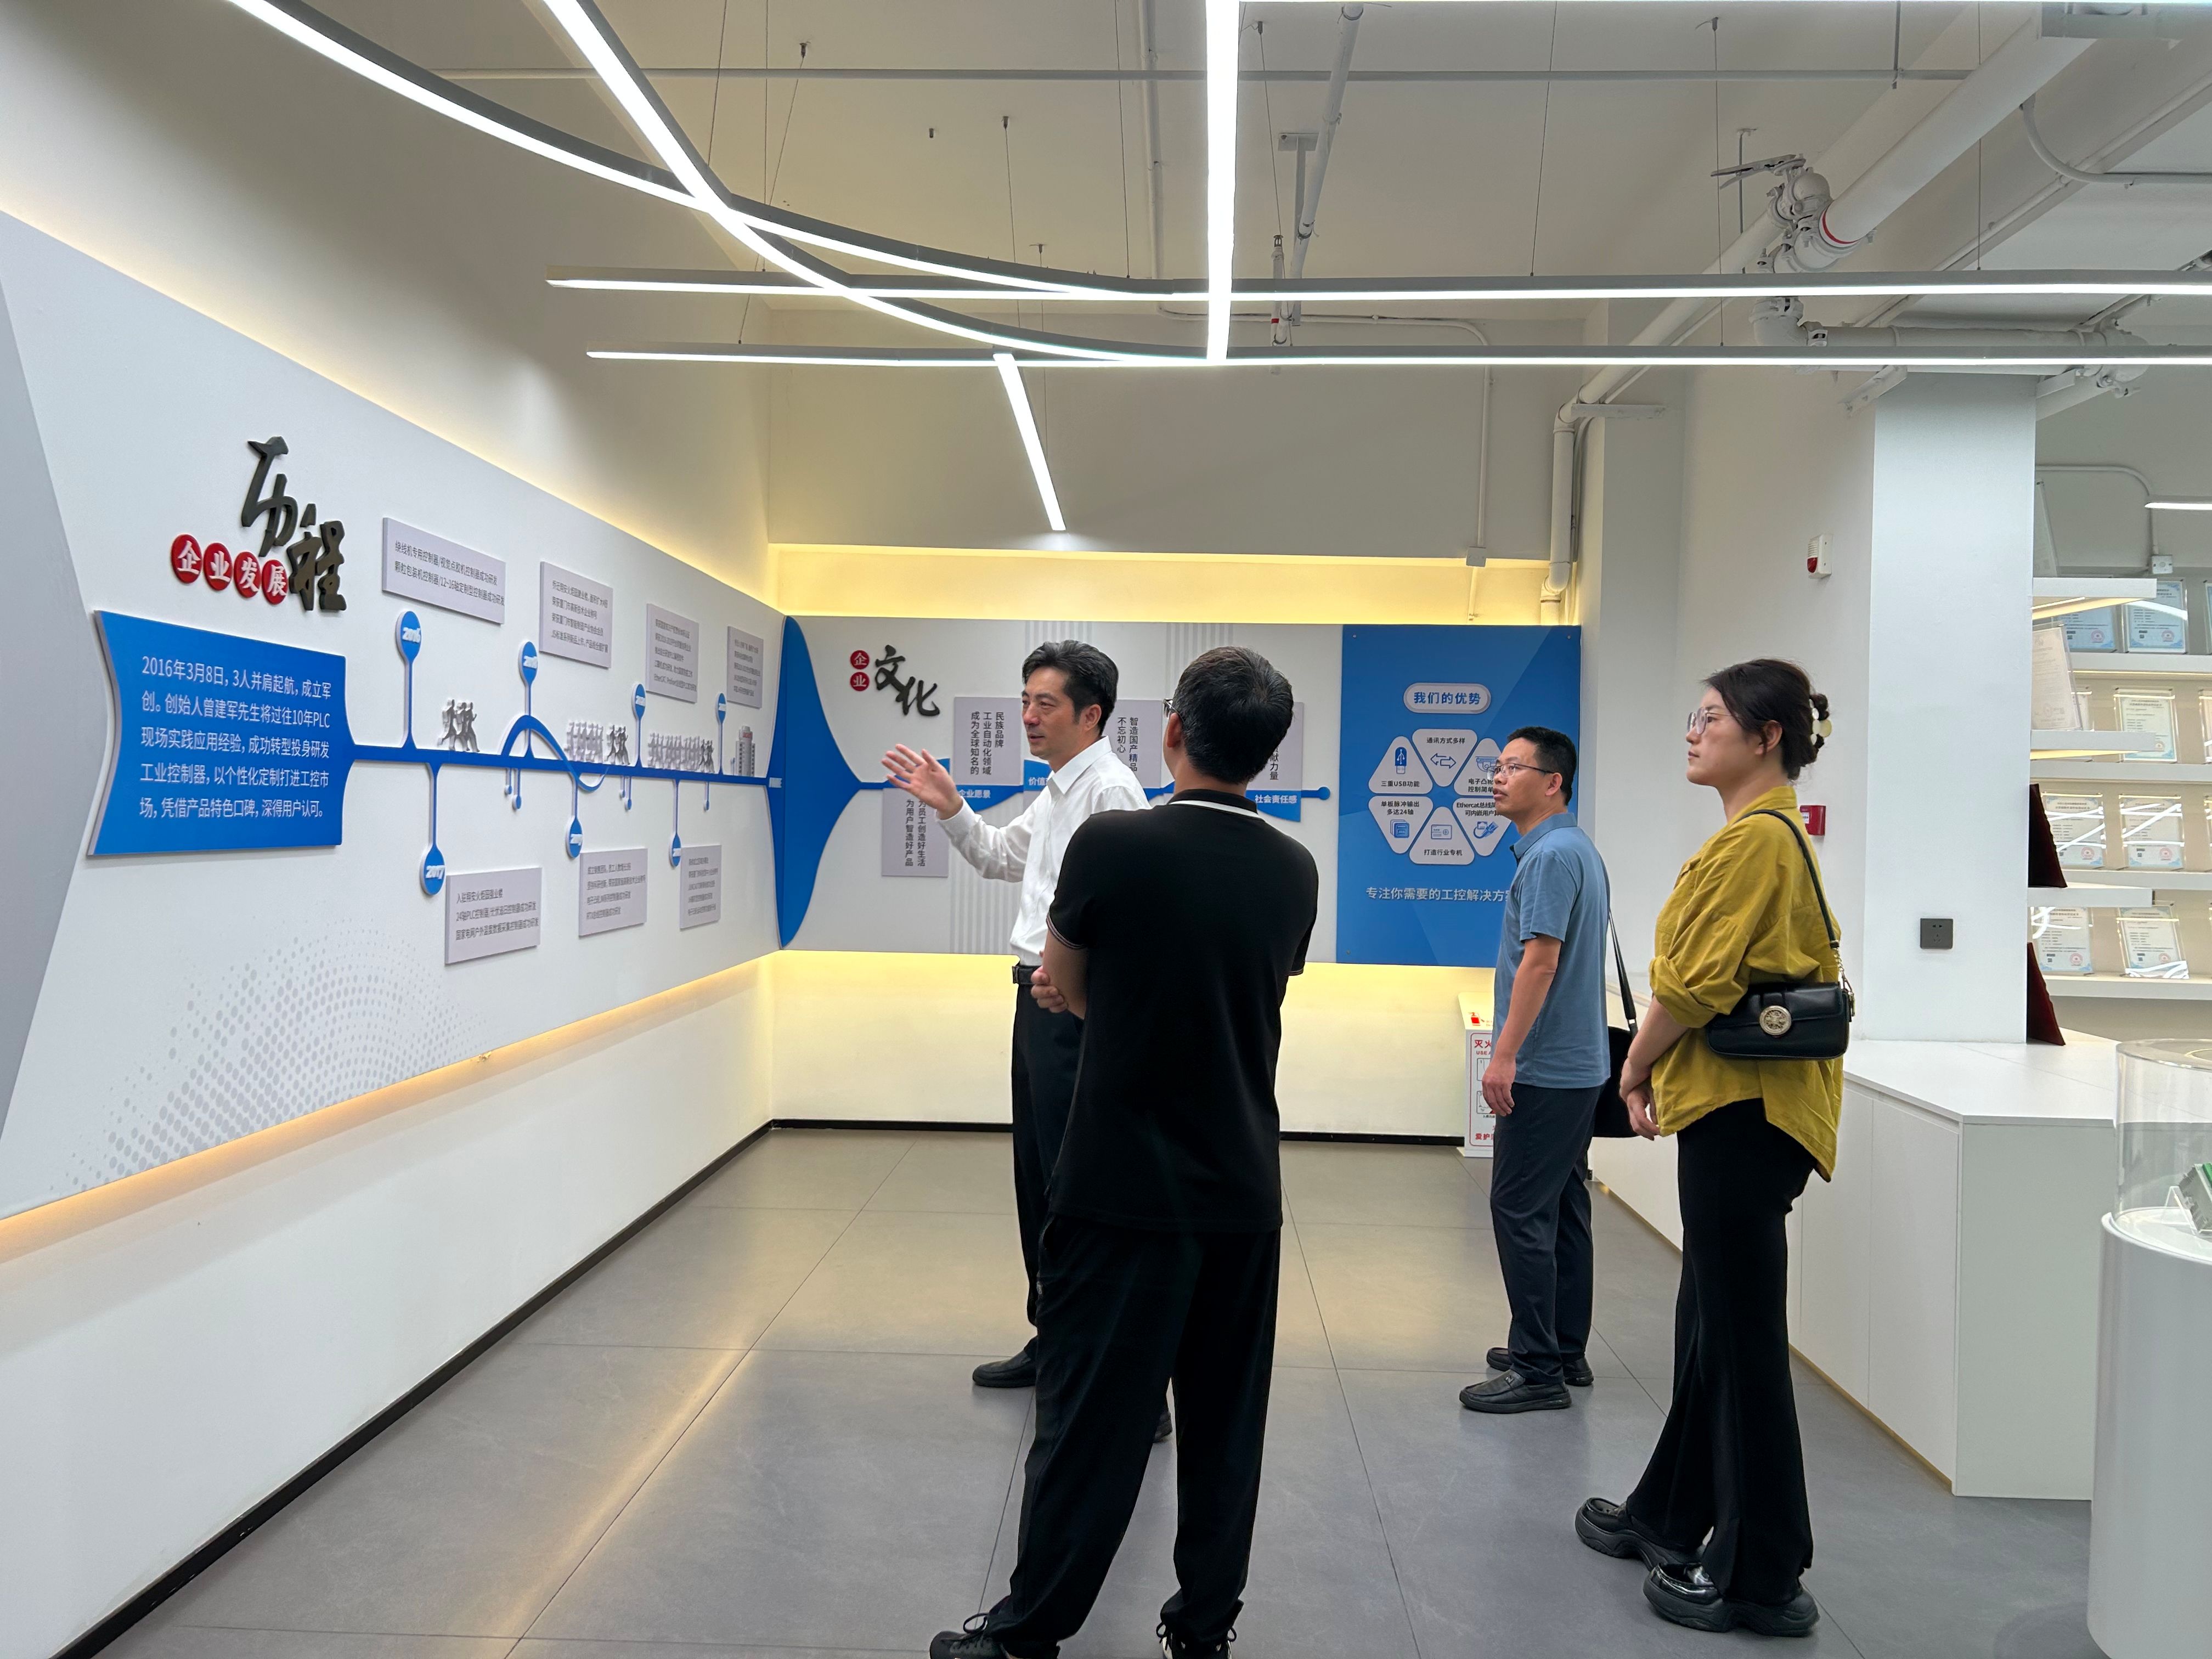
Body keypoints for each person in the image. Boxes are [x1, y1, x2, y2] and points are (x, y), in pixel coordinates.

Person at [930, 647, 1319, 1659]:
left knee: (1087, 1421)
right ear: (1268, 754)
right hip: (1243, 1183)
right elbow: (1249, 984)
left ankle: (1029, 1630)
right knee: (1227, 1426)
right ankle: (1203, 1626)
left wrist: (1089, 993)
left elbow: (1064, 982)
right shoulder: (1294, 868)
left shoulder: (1112, 841)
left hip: (1123, 1179)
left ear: (1172, 732)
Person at [1575, 659, 1841, 1640]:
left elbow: (1691, 986)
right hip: (1742, 1112)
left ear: (1766, 736)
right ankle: (1669, 1512)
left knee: (1739, 1342)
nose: (1694, 731)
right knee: (1709, 1327)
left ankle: (1760, 1575)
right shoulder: (1755, 834)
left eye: (1713, 717)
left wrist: (1634, 1066)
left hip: (1746, 1115)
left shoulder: (1758, 841)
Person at [883, 641, 1154, 1423]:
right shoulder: (1060, 789)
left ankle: (1115, 1370)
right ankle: (1055, 1338)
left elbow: (1129, 914)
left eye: (1046, 703)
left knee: (1082, 1186)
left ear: (1091, 714)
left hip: (1073, 1010)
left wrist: (1082, 987)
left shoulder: (1111, 792)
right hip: (1036, 1002)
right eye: (1025, 700)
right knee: (1038, 1178)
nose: (1028, 716)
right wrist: (951, 807)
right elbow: (1003, 857)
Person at [1459, 726, 1611, 1415]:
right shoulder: (1576, 848)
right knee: (1562, 1205)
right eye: (1497, 766)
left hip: (1546, 1068)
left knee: (1519, 1207)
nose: (1497, 777)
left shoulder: (1549, 857)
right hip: (1578, 1066)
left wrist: (1505, 1054)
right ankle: (1562, 1348)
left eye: (1513, 767)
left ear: (1553, 783)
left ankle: (1537, 1367)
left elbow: (1541, 963)